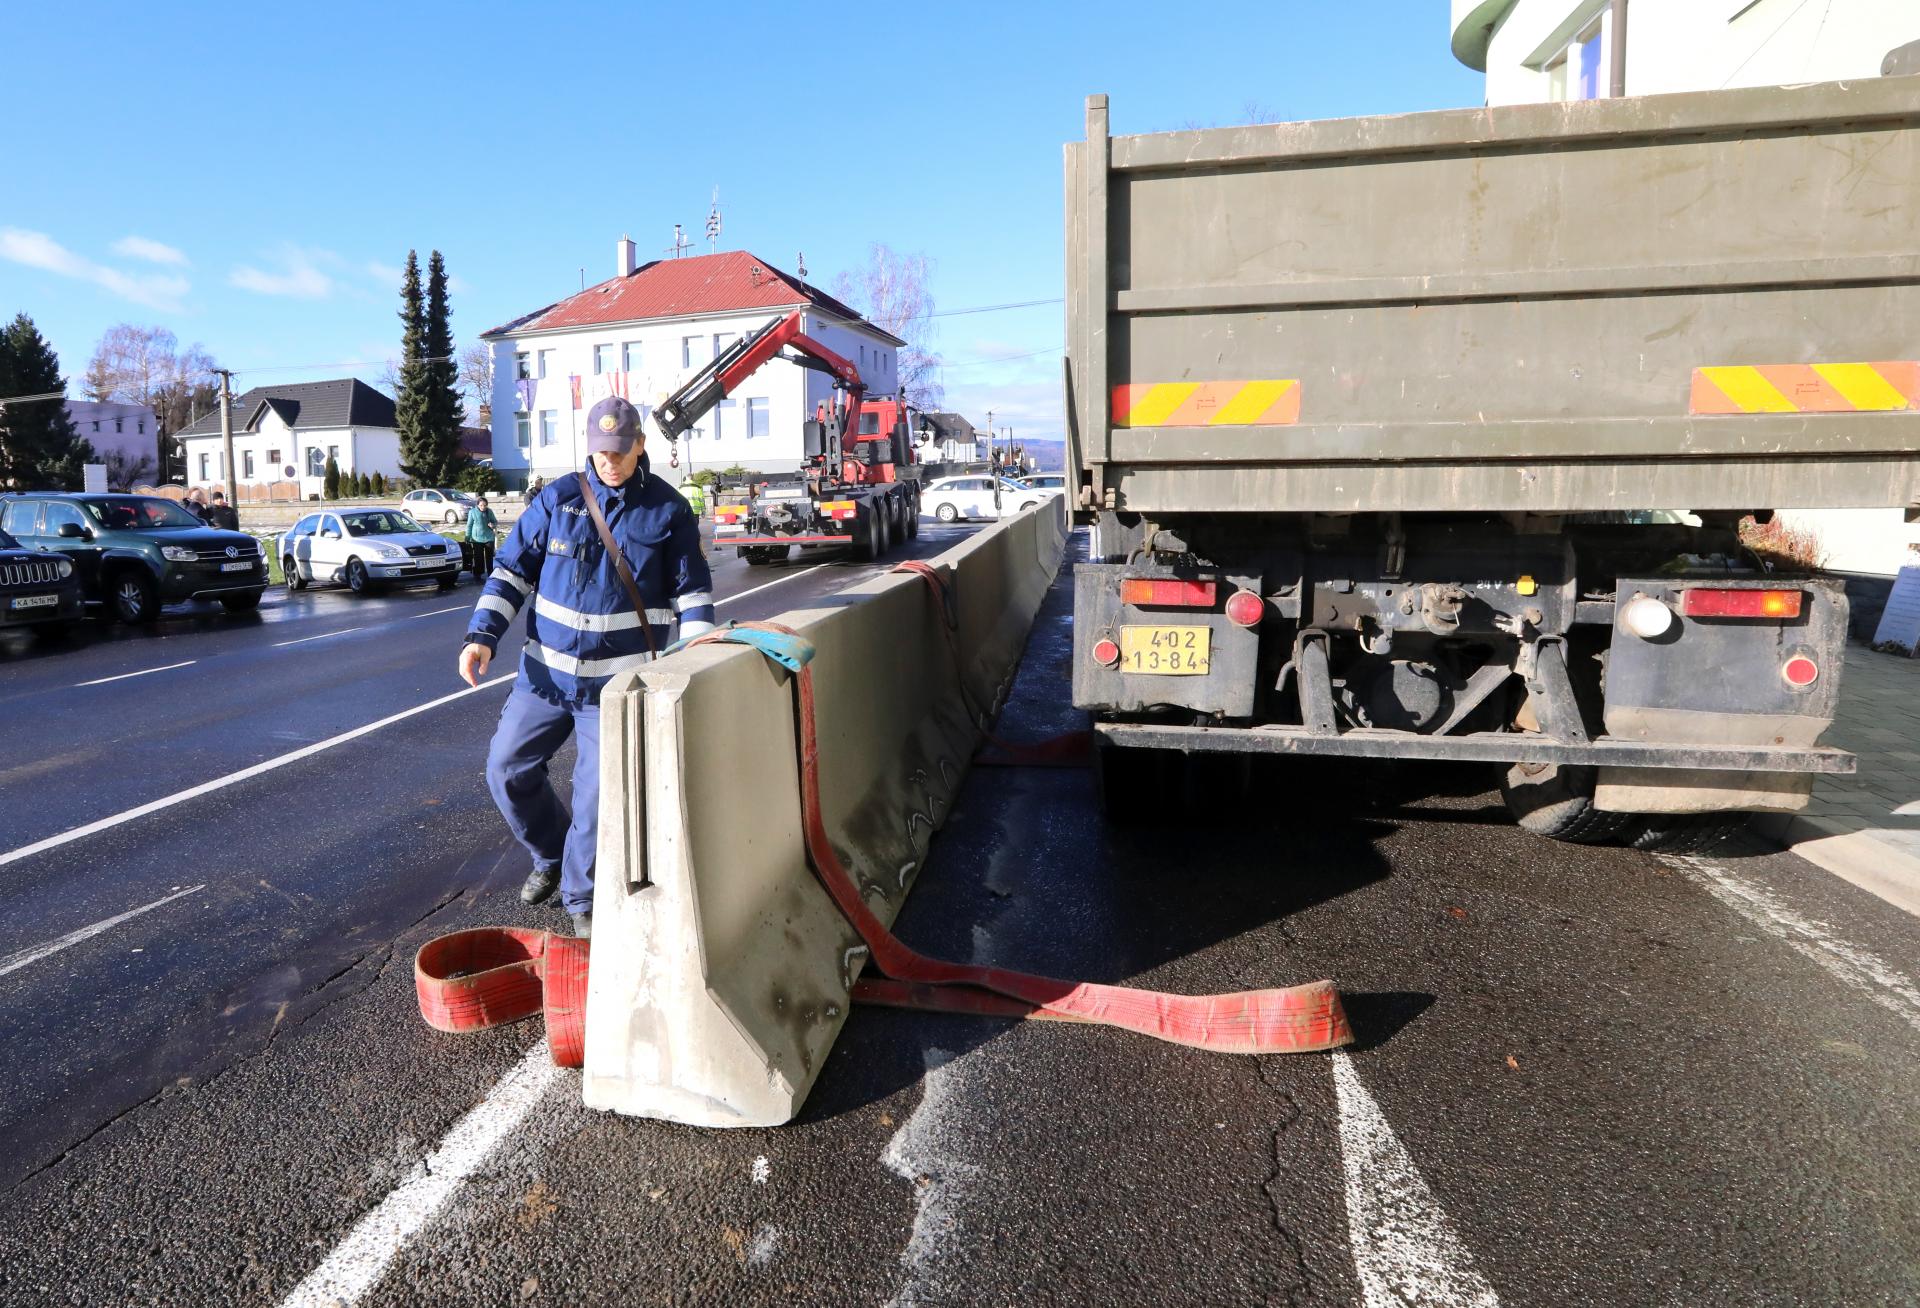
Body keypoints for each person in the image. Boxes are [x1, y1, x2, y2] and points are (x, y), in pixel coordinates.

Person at [458, 397, 714, 939]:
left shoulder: (668, 511)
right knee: (506, 770)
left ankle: (582, 901)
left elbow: (692, 593)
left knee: (596, 798)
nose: (610, 463)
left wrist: (696, 660)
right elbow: (509, 573)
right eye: (601, 453)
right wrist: (482, 637)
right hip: (544, 681)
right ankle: (550, 854)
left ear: (640, 446)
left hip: (617, 688)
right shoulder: (560, 499)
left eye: (620, 452)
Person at [464, 494, 500, 578]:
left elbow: (495, 521)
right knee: (478, 557)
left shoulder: (489, 511)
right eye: (481, 505)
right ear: (477, 505)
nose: (483, 507)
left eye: (484, 505)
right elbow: (469, 525)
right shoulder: (472, 512)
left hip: (489, 537)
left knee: (489, 557)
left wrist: (493, 525)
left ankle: (490, 573)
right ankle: (478, 573)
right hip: (477, 538)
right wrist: (467, 536)